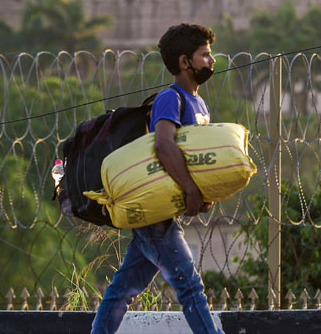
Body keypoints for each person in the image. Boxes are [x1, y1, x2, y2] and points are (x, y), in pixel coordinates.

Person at [91, 23, 223, 334]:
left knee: (123, 289)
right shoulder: (170, 98)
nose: (211, 60)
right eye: (205, 55)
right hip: (156, 211)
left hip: (166, 210)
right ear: (184, 62)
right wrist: (190, 189)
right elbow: (164, 145)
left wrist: (203, 191)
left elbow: (196, 156)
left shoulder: (200, 104)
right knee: (190, 286)